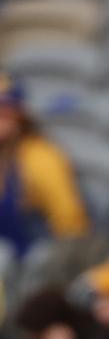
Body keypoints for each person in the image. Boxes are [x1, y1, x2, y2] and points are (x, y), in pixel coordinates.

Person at [0, 73, 88, 258]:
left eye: (6, 108)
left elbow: (70, 226)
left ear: (20, 113)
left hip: (32, 266)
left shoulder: (39, 157)